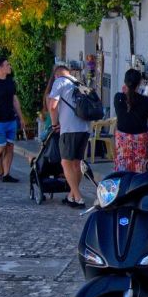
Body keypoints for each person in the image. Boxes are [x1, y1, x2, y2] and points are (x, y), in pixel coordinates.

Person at [47, 64, 92, 207]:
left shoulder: (59, 82)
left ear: (57, 75)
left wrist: (54, 124)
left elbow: (52, 106)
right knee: (77, 163)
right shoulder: (78, 82)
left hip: (69, 128)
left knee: (65, 162)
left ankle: (78, 197)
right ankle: (72, 195)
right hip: (84, 128)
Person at [113, 68, 148, 173]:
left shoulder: (118, 98)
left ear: (125, 82)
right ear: (139, 83)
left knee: (123, 170)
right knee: (140, 170)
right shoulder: (145, 100)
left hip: (123, 140)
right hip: (140, 141)